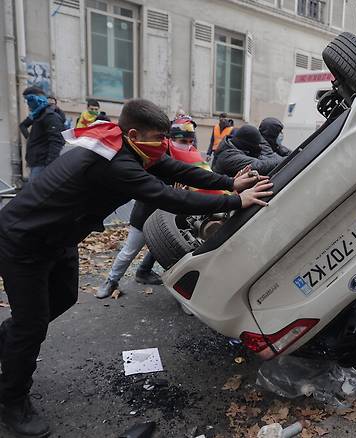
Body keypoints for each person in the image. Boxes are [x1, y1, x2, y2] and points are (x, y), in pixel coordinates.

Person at [0, 99, 272, 436]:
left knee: (64, 298)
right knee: (32, 325)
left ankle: (8, 342)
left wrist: (229, 182)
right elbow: (169, 197)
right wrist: (235, 201)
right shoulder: (114, 163)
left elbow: (175, 169)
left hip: (59, 238)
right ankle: (11, 399)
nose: (164, 144)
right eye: (159, 137)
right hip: (24, 239)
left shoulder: (127, 145)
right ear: (133, 133)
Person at [97, 115, 204, 298]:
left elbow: (196, 176)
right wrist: (172, 189)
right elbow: (148, 184)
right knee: (129, 251)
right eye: (181, 140)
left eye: (189, 141)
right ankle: (111, 281)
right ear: (170, 139)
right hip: (146, 212)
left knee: (163, 245)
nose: (186, 144)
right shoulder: (156, 155)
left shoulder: (190, 156)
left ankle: (144, 271)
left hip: (168, 214)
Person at [20, 86, 65, 180]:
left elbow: (57, 141)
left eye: (30, 100)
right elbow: (23, 125)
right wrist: (30, 139)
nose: (28, 104)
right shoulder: (38, 116)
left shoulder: (50, 116)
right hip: (36, 163)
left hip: (42, 165)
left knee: (35, 193)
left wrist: (49, 165)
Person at [212, 124, 282, 177]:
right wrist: (286, 160)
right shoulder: (228, 156)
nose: (259, 147)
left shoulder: (236, 147)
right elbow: (259, 166)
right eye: (256, 145)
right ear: (247, 145)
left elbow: (264, 157)